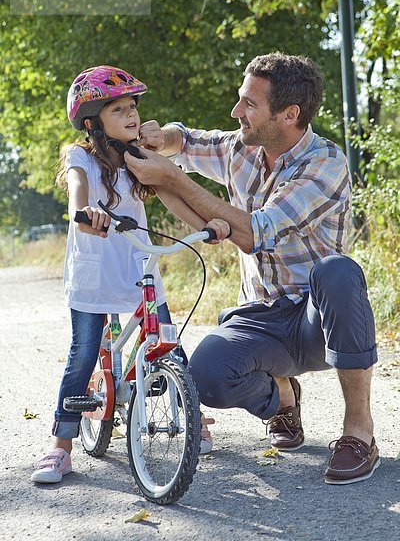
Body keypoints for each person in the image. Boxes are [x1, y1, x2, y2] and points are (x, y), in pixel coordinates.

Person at [123, 52, 380, 485]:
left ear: (288, 114)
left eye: (248, 104)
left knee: (337, 271)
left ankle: (359, 432)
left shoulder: (326, 164)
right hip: (261, 319)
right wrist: (159, 138)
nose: (235, 111)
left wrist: (172, 178)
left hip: (316, 319)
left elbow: (256, 231)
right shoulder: (241, 150)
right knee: (205, 375)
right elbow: (185, 141)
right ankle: (283, 398)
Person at [31, 65, 228, 484]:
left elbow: (173, 197)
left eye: (133, 107)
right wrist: (86, 215)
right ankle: (61, 445)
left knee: (168, 339)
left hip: (139, 268)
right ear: (92, 122)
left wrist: (207, 224)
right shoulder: (80, 156)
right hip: (95, 273)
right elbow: (77, 192)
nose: (131, 115)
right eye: (118, 109)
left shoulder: (139, 159)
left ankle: (187, 413)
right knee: (83, 354)